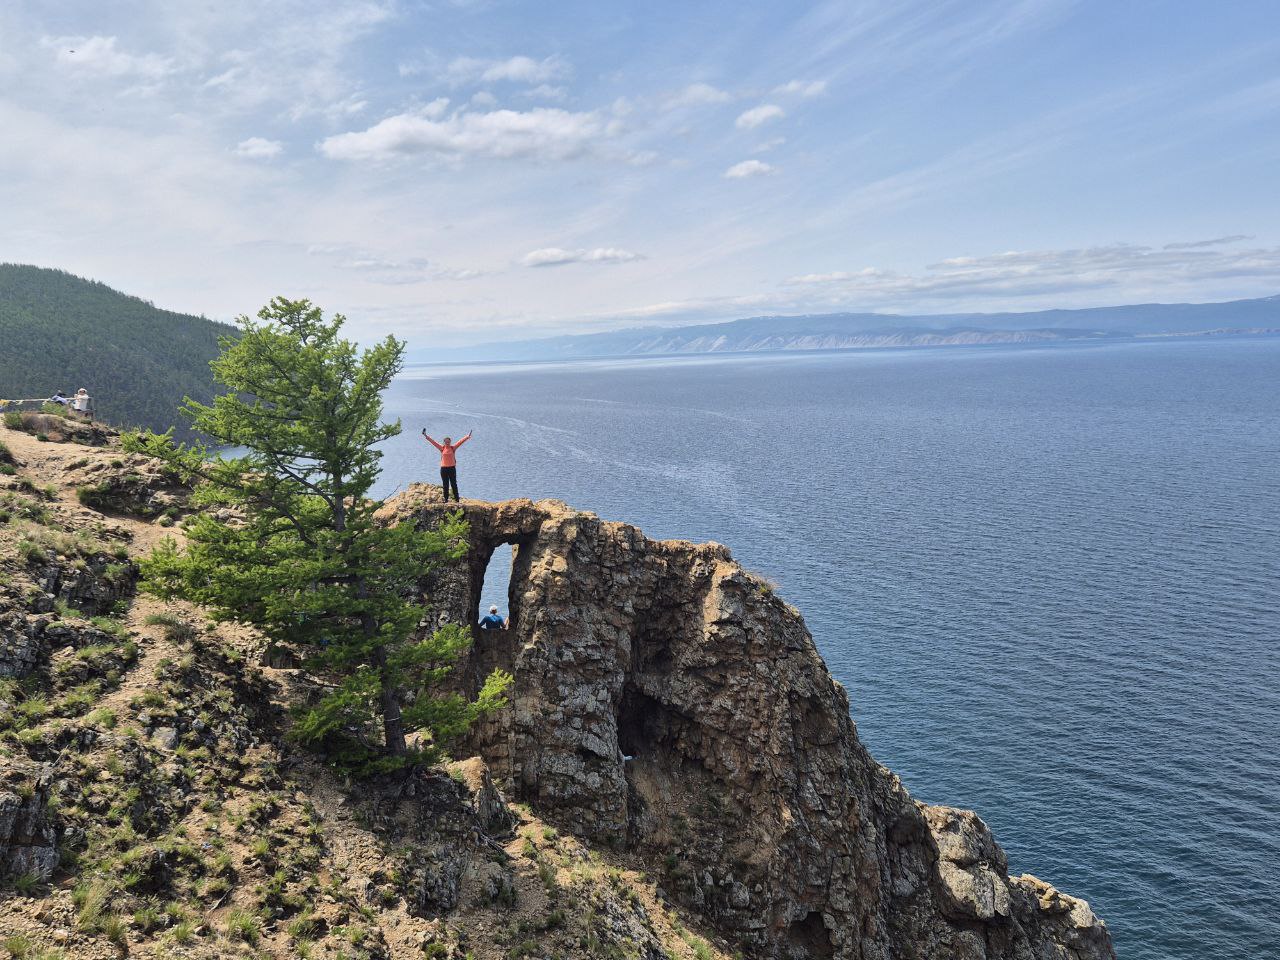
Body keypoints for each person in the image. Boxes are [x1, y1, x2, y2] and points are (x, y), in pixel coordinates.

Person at [422, 428, 472, 502]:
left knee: (454, 484)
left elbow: (460, 442)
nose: (447, 443)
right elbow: (433, 442)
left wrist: (467, 436)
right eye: (446, 442)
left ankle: (457, 499)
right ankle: (446, 500)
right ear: (444, 442)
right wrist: (426, 435)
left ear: (450, 442)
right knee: (445, 485)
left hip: (452, 468)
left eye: (448, 442)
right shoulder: (442, 448)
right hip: (444, 469)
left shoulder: (453, 448)